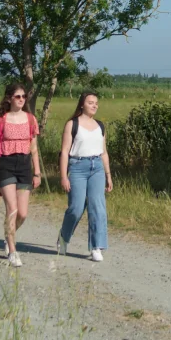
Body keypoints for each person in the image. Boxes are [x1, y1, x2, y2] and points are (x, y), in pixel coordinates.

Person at [0, 82, 41, 267]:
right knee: (12, 209)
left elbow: (34, 148)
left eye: (23, 96)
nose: (21, 100)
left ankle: (8, 234)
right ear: (10, 98)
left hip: (24, 165)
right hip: (6, 165)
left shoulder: (30, 119)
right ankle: (12, 250)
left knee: (23, 213)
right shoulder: (1, 120)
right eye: (17, 96)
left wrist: (37, 172)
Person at [57, 91, 113, 262]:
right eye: (90, 102)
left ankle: (96, 247)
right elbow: (65, 152)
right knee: (76, 208)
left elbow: (104, 152)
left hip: (96, 167)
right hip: (77, 167)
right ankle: (64, 237)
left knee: (98, 207)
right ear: (82, 104)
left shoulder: (100, 126)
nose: (94, 105)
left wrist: (108, 175)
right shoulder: (72, 124)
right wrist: (63, 176)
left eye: (96, 102)